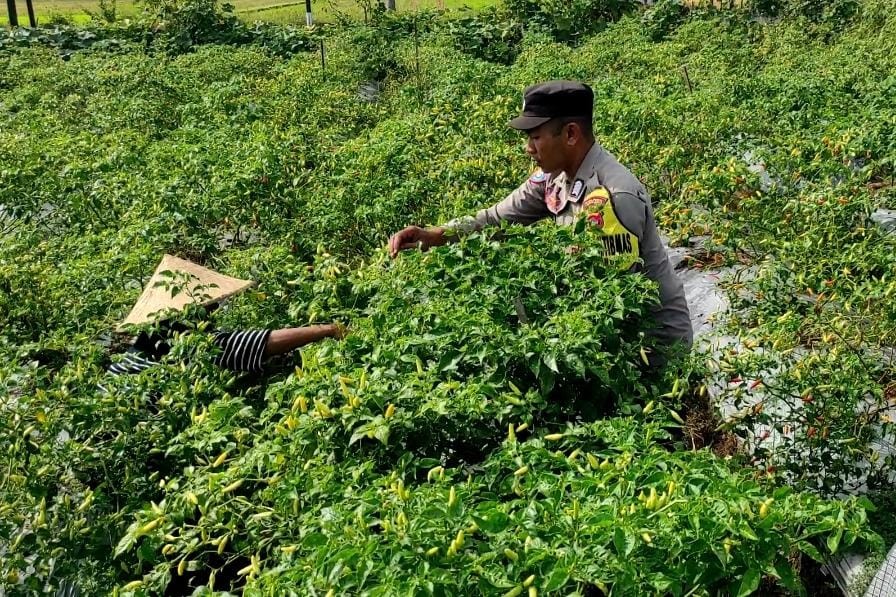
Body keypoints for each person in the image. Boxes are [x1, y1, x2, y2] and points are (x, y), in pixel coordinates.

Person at [388, 80, 692, 360]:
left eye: (535, 137)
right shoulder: (553, 177)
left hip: (652, 346)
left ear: (571, 134)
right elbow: (496, 218)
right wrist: (434, 235)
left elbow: (613, 296)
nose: (528, 148)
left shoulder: (613, 194)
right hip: (610, 330)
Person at [106, 254, 344, 380]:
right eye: (212, 305)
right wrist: (328, 330)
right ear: (196, 310)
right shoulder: (189, 342)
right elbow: (263, 342)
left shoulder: (146, 338)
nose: (216, 309)